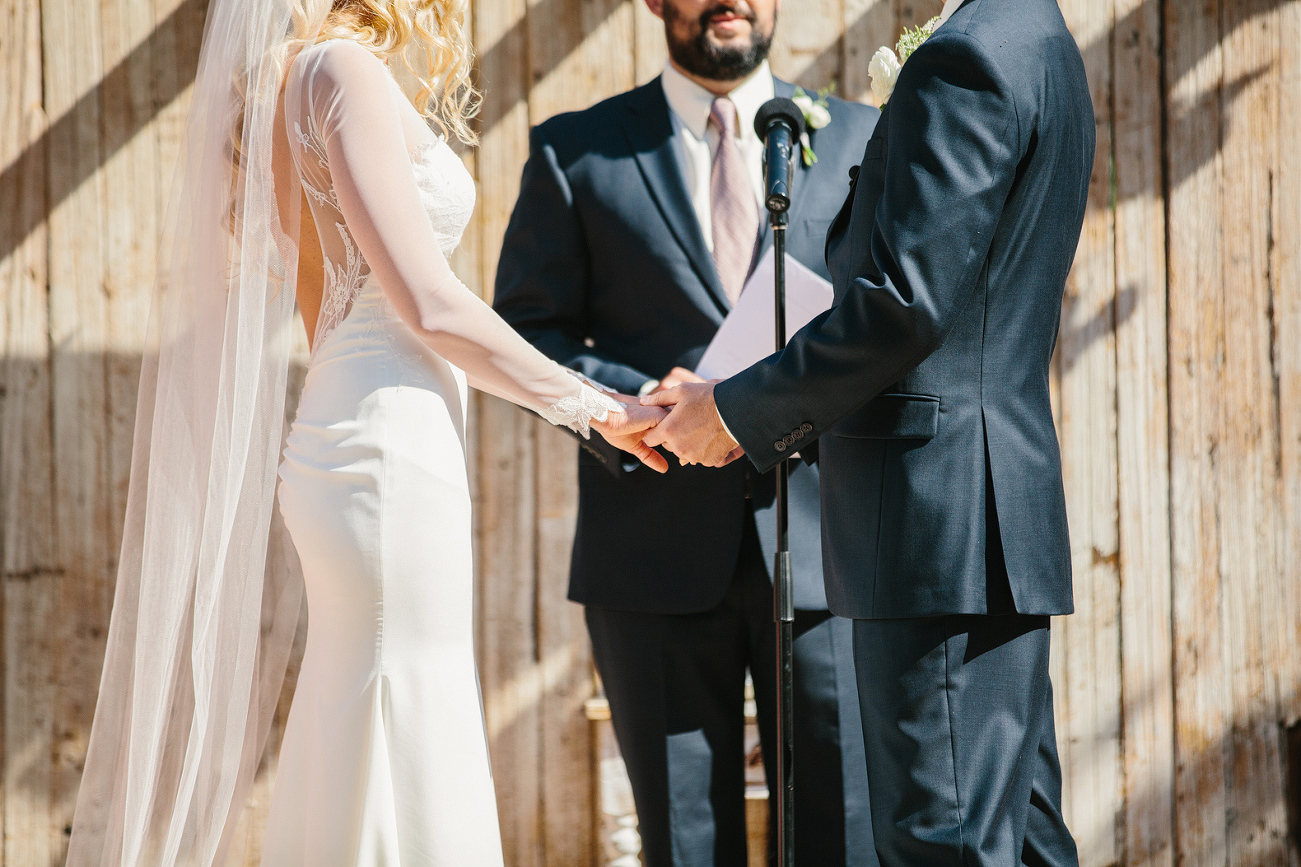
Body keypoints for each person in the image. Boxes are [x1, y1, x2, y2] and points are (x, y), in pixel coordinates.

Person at [66, 1, 666, 864]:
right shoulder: (340, 73)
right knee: (403, 694)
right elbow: (427, 302)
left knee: (366, 692)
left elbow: (331, 309)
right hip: (387, 440)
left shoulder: (287, 83)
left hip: (359, 422)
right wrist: (597, 406)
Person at [642, 0, 1092, 864]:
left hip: (932, 521)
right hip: (986, 516)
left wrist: (736, 409)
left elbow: (901, 304)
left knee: (942, 839)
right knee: (1020, 837)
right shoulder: (1039, 41)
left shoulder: (965, 57)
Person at [492, 1, 878, 864]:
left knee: (843, 836)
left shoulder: (858, 139)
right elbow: (525, 338)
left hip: (831, 555)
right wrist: (634, 400)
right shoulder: (573, 150)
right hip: (649, 557)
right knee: (684, 844)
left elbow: (887, 324)